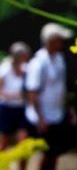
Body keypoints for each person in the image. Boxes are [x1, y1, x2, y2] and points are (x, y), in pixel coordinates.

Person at [25, 22, 77, 170]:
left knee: (54, 152)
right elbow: (32, 92)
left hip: (58, 114)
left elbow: (62, 87)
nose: (62, 42)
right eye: (60, 39)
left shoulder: (59, 58)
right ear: (51, 40)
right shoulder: (38, 63)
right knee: (45, 153)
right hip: (44, 117)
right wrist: (41, 119)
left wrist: (69, 109)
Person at [0, 41, 32, 170]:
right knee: (4, 143)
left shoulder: (26, 68)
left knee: (23, 143)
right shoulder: (5, 68)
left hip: (21, 108)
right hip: (6, 108)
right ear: (18, 56)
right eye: (25, 55)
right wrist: (15, 95)